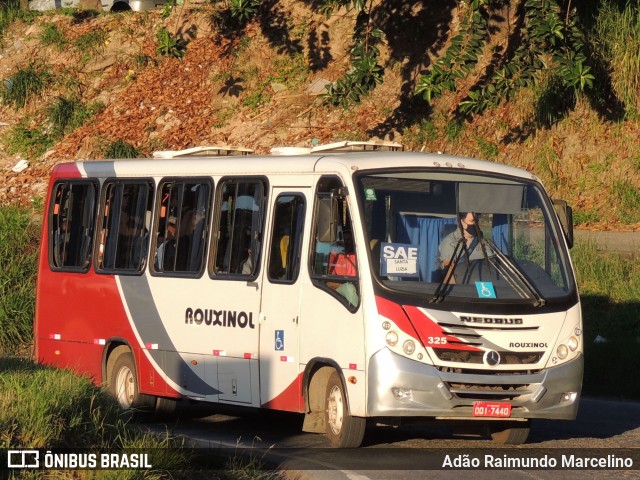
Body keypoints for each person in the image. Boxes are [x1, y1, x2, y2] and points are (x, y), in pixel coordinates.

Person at [438, 212, 493, 283]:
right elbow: (449, 275)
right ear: (461, 221)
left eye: (477, 221)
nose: (475, 224)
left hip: (482, 286)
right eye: (472, 221)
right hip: (463, 288)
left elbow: (492, 267)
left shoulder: (482, 242)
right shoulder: (450, 242)